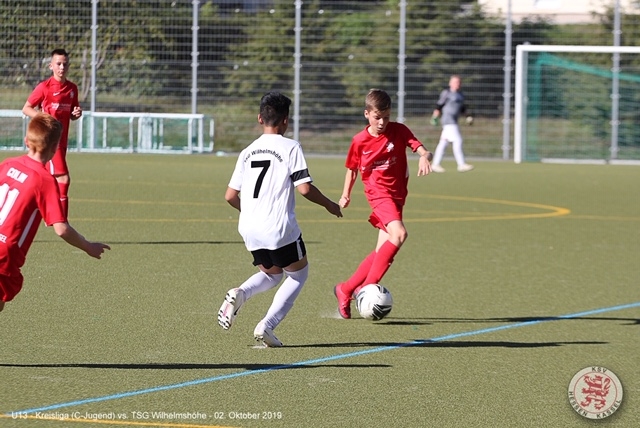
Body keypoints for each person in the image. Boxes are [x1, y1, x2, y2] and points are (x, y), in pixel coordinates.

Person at [217, 92, 342, 347]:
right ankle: (267, 325)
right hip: (278, 228)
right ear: (286, 120)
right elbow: (304, 188)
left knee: (272, 275)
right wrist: (330, 204)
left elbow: (230, 196)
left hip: (249, 229)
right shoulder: (291, 147)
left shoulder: (247, 152)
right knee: (297, 275)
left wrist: (251, 212)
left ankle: (240, 293)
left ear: (259, 118)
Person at [333, 88, 432, 319]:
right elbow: (352, 169)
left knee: (382, 251)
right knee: (399, 234)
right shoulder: (359, 141)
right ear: (367, 114)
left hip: (397, 196)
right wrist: (345, 194)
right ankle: (366, 289)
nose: (382, 123)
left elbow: (422, 149)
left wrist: (424, 157)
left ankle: (345, 289)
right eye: (378, 117)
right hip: (378, 194)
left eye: (386, 117)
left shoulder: (399, 130)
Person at [0, 113, 110, 313]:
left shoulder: (7, 164)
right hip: (4, 254)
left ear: (26, 140)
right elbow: (61, 229)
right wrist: (88, 246)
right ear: (54, 148)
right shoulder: (44, 180)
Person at [23, 48, 83, 218]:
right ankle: (60, 220)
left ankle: (39, 211)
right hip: (49, 140)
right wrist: (44, 117)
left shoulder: (72, 89)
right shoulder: (44, 87)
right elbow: (26, 108)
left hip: (61, 141)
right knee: (63, 178)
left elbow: (71, 114)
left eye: (65, 64)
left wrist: (76, 114)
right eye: (58, 64)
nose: (62, 67)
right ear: (51, 66)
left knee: (44, 178)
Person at [429, 75, 474, 173]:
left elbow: (462, 108)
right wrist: (435, 116)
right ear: (450, 83)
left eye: (459, 82)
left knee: (443, 143)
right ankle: (461, 164)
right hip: (448, 121)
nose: (458, 84)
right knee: (458, 140)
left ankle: (435, 164)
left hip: (454, 121)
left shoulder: (460, 94)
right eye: (455, 82)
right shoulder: (447, 93)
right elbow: (439, 105)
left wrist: (468, 116)